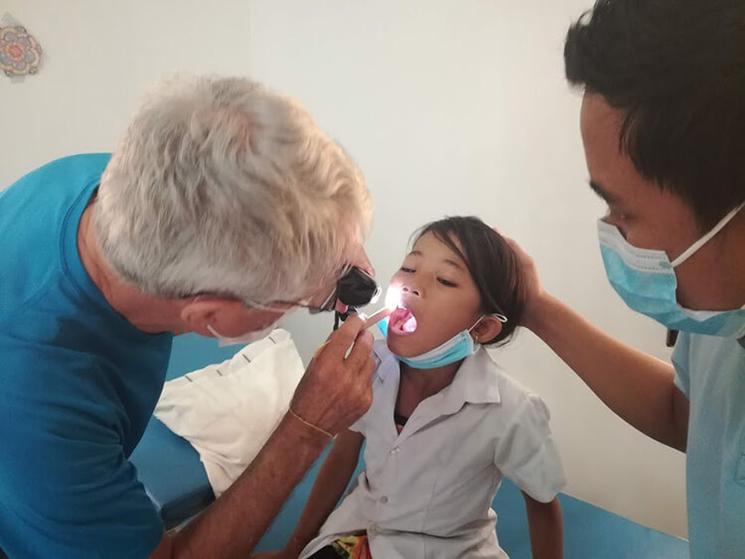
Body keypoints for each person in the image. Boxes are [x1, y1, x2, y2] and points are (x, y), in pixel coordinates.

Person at [0, 76, 378, 559]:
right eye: (310, 300)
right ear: (208, 317)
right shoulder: (43, 406)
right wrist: (306, 427)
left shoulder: (118, 182)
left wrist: (330, 237)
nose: (324, 300)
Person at [507, 1, 745, 557]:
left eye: (622, 211)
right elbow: (690, 418)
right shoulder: (717, 313)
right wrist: (535, 307)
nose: (611, 232)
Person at [256, 217, 565, 559]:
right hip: (360, 535)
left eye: (445, 280)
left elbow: (543, 504)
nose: (412, 286)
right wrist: (293, 547)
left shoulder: (512, 410)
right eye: (409, 267)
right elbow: (342, 455)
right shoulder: (369, 361)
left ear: (483, 328)